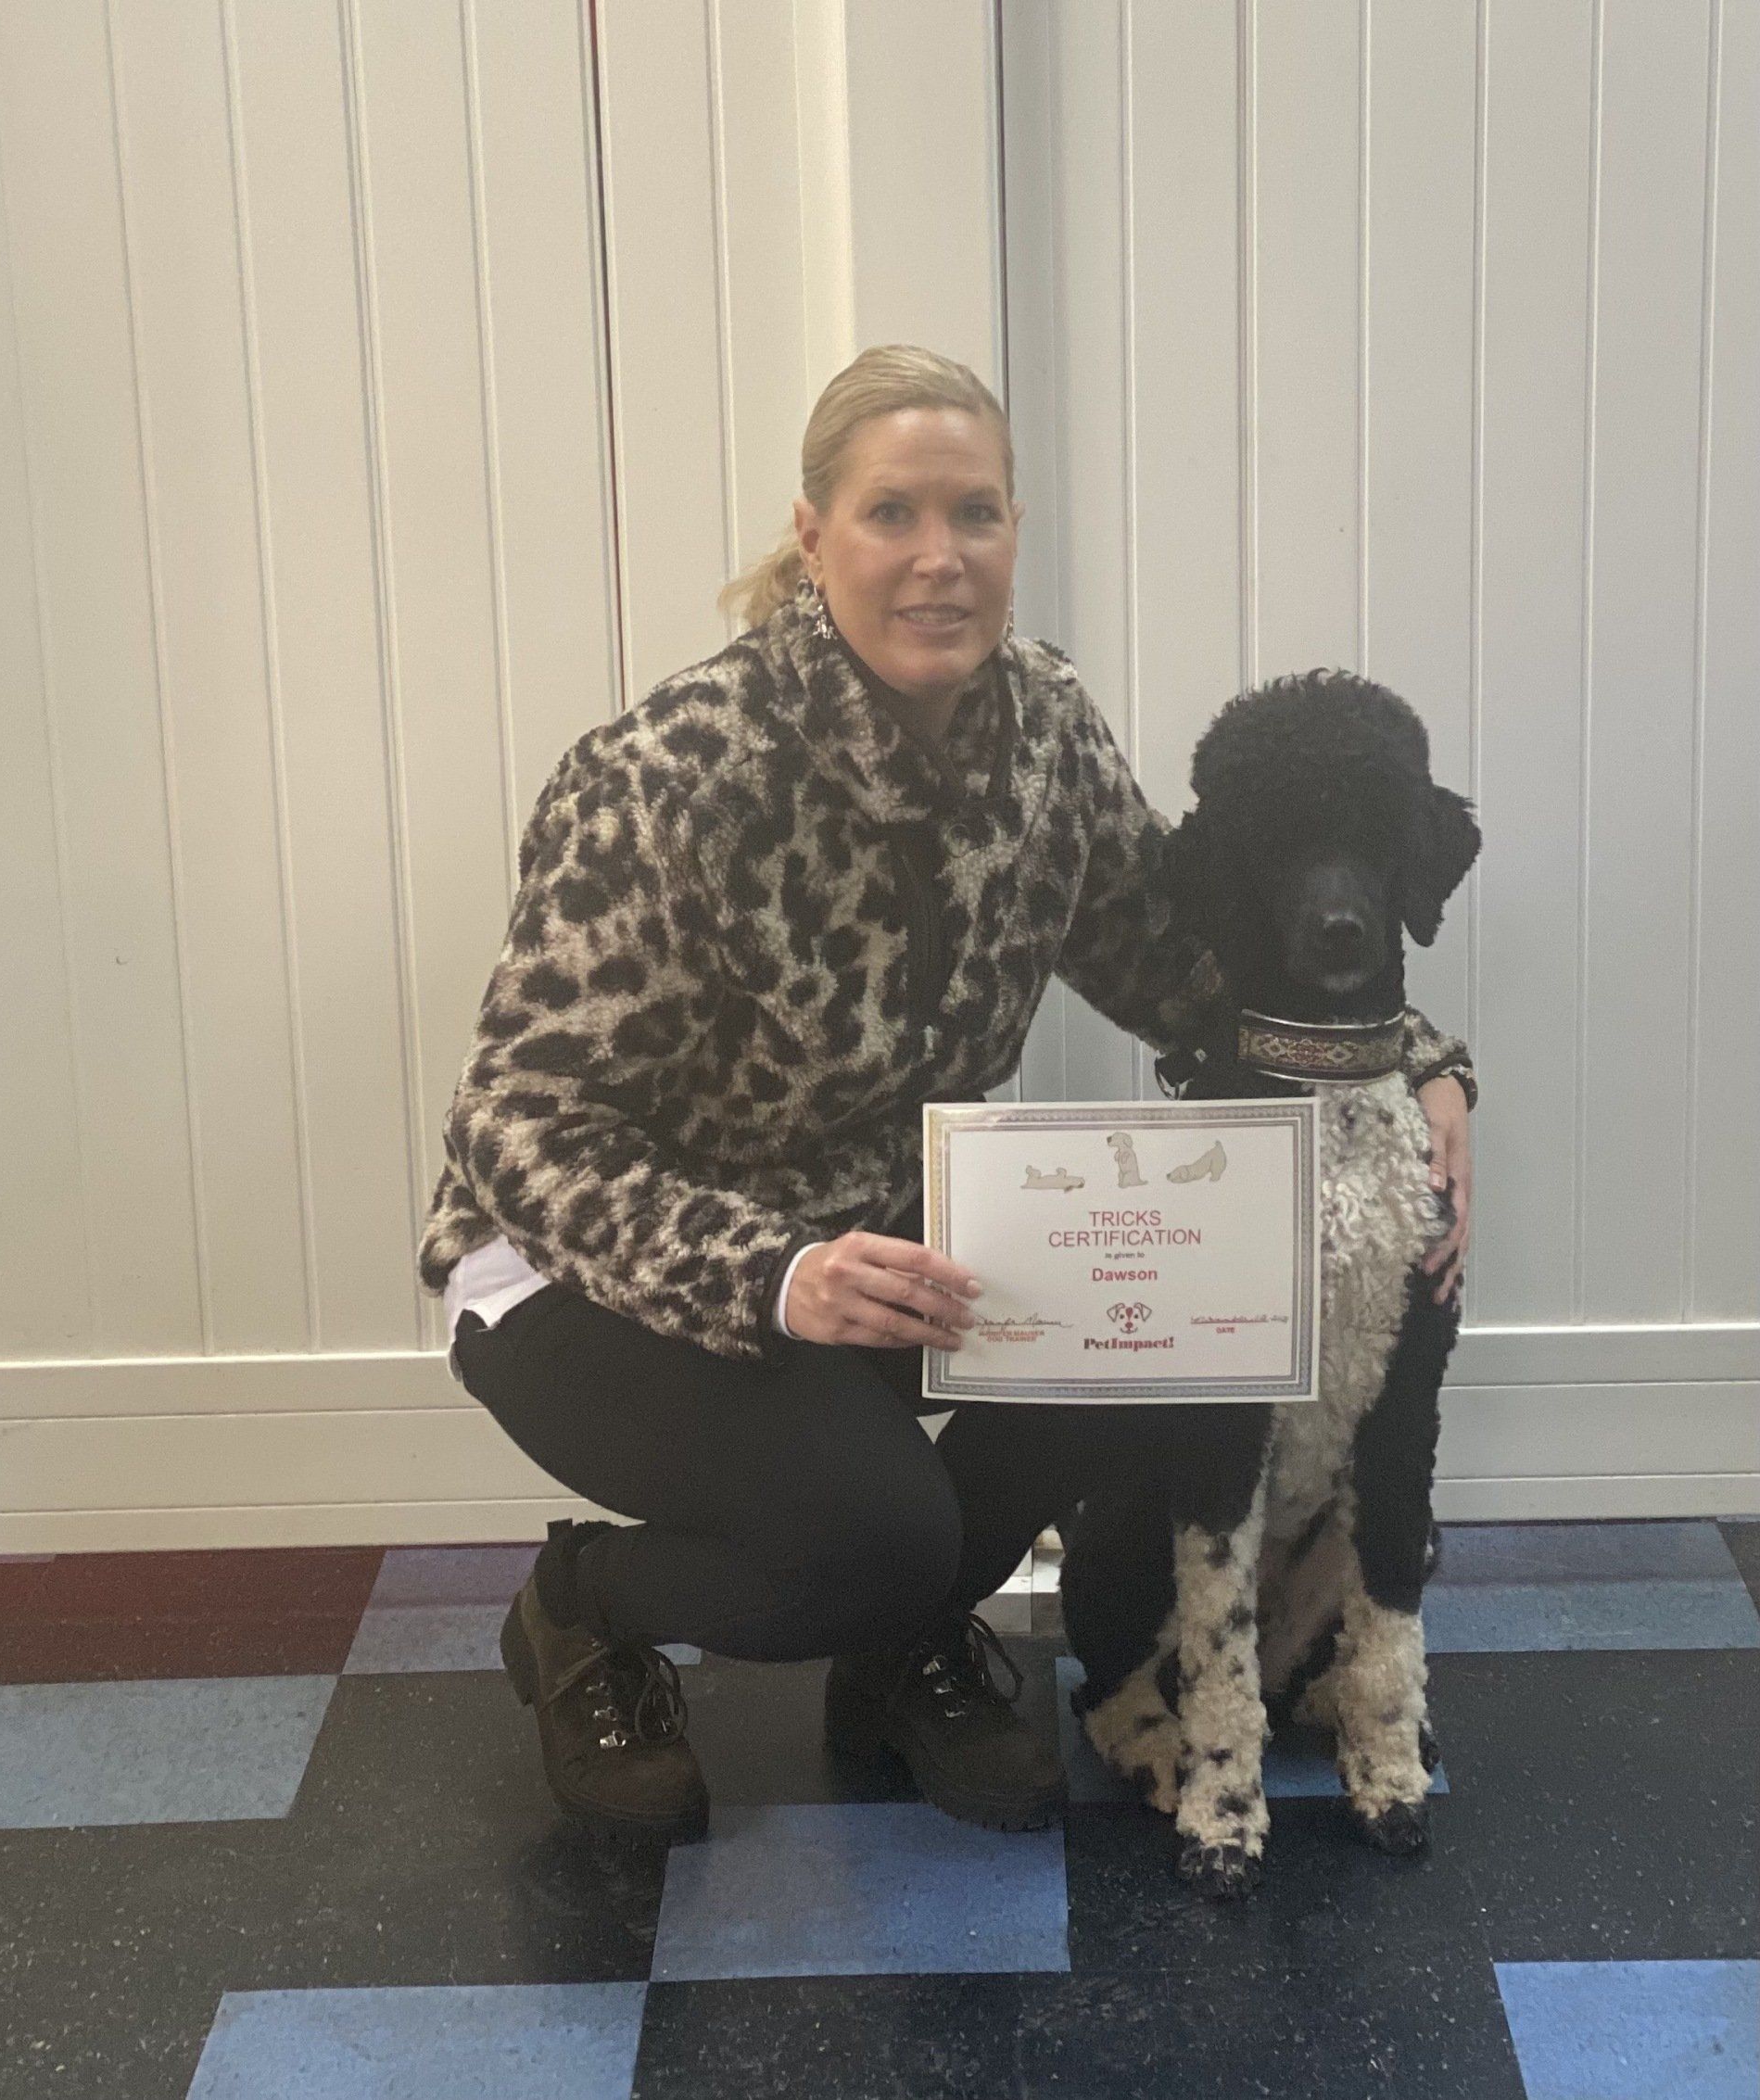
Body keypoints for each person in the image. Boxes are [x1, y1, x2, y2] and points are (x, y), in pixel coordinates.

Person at [416, 345, 1475, 1849]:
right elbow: (518, 1123)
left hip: (881, 1239)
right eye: (890, 513)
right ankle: (587, 1604)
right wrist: (777, 1276)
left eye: (972, 513)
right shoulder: (668, 775)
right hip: (592, 1272)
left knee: (1165, 1318)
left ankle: (899, 1647)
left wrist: (1415, 1062)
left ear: (1016, 532)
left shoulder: (1041, 730)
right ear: (812, 534)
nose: (937, 558)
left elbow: (1186, 968)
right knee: (865, 1532)